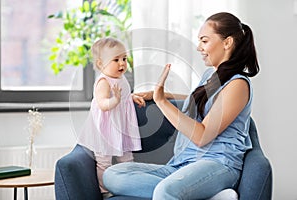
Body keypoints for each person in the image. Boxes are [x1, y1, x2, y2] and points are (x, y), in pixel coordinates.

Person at [103, 12, 260, 199]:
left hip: (218, 164)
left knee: (165, 191)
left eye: (204, 41)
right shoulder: (211, 76)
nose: (199, 48)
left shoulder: (238, 85)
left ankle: (187, 190)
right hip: (182, 164)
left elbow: (202, 136)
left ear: (227, 43)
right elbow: (201, 101)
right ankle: (201, 194)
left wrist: (162, 102)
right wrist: (163, 95)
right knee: (112, 175)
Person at [77, 37, 146, 196]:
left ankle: (128, 185)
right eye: (116, 60)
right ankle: (105, 190)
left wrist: (131, 98)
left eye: (124, 59)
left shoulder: (121, 79)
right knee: (104, 162)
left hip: (121, 126)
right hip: (105, 129)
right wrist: (115, 100)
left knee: (127, 159)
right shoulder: (103, 82)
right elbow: (102, 104)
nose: (122, 63)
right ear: (101, 64)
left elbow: (124, 96)